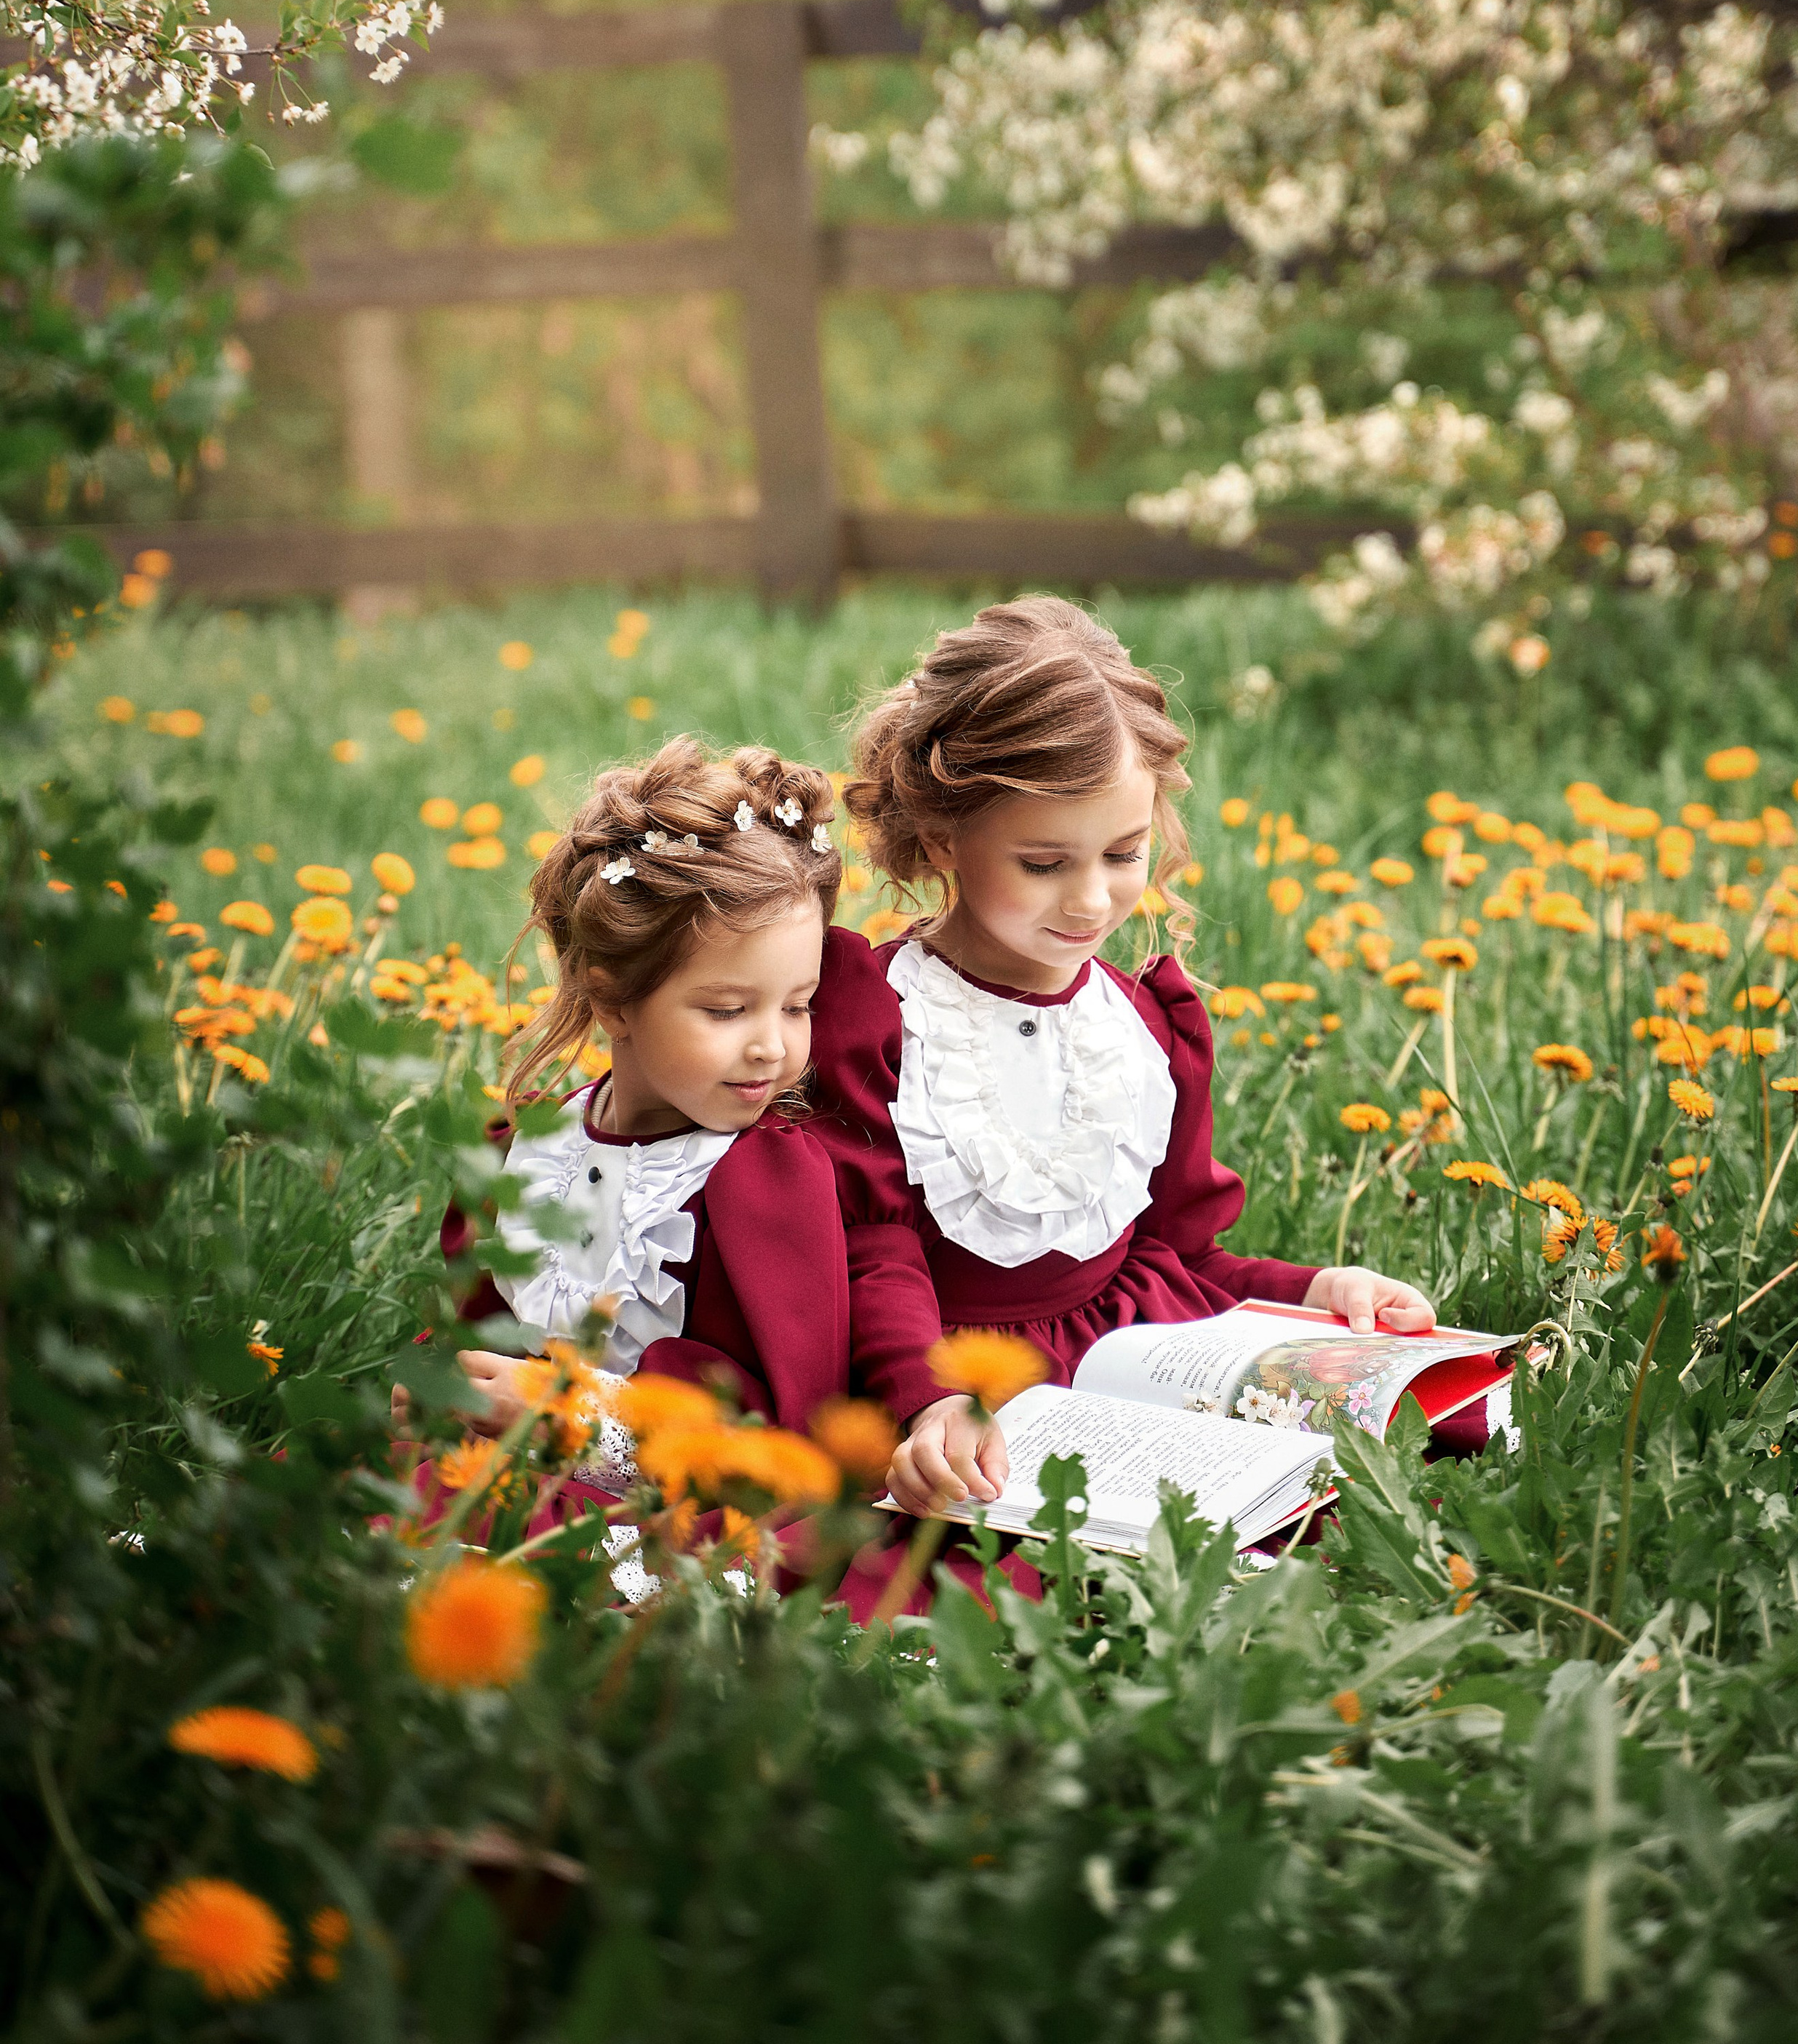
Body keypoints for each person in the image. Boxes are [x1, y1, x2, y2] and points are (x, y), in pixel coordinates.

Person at [806, 596, 1437, 1541]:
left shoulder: (1148, 1023)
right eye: (1045, 860)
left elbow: (1184, 1255)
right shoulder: (882, 1014)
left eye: (1124, 852)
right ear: (945, 840)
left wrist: (1312, 1287)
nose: (1092, 897)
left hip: (1137, 1359)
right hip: (957, 1384)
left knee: (1413, 1442)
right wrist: (928, 1400)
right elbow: (874, 1248)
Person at [426, 736, 852, 1522]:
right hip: (507, 1476)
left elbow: (778, 1458)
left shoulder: (761, 1185)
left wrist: (565, 1420)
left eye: (797, 1005)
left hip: (666, 1518)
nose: (771, 1044)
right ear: (613, 1000)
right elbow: (479, 1339)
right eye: (727, 1010)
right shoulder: (526, 1153)